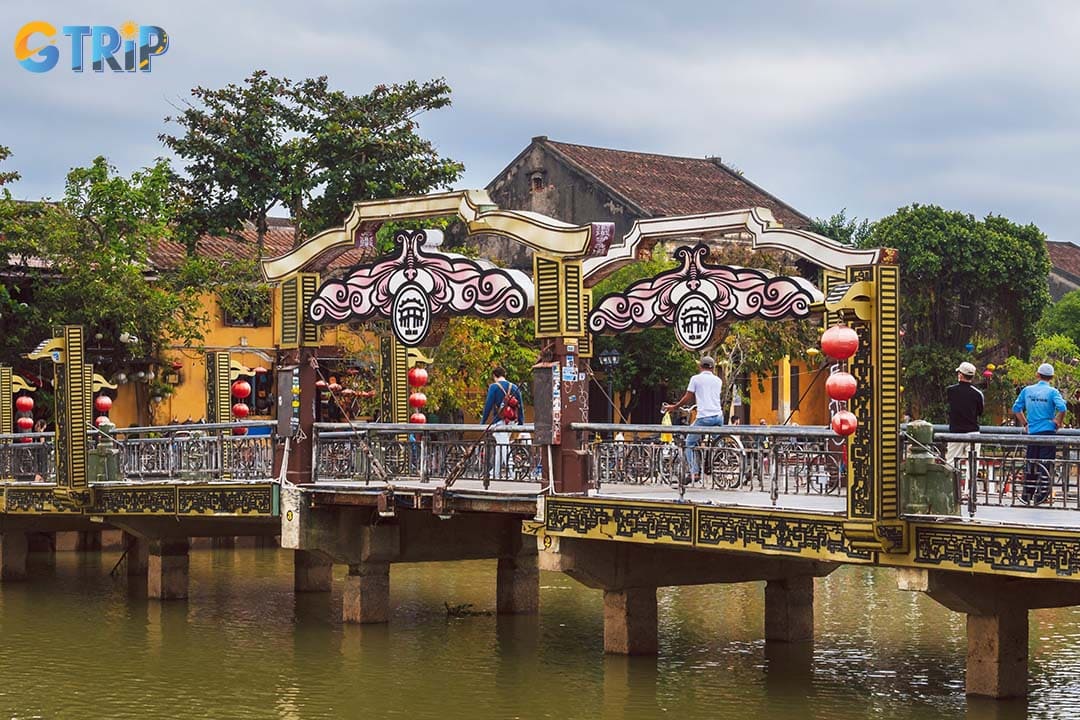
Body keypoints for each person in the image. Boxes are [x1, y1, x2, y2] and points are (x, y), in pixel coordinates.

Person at [662, 356, 723, 483]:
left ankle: (694, 472)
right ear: (712, 367)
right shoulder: (718, 380)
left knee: (689, 442)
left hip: (704, 417)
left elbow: (688, 397)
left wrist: (675, 406)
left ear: (700, 366)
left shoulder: (695, 379)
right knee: (717, 441)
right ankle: (720, 456)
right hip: (718, 417)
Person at [1012, 362, 1066, 505]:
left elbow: (1016, 409)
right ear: (1052, 377)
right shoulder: (1053, 392)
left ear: (1037, 375)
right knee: (1045, 464)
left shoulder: (1027, 390)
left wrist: (1025, 424)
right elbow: (1062, 407)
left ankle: (1026, 494)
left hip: (1032, 432)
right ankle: (1041, 496)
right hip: (1048, 432)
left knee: (1031, 462)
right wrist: (1057, 421)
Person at [945, 361, 984, 491]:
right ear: (972, 377)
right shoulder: (978, 394)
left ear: (960, 375)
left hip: (955, 432)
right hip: (973, 432)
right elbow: (980, 412)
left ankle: (951, 489)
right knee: (972, 464)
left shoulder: (951, 391)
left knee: (951, 461)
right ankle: (969, 491)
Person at [481, 367, 524, 480]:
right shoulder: (514, 387)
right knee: (500, 447)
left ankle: (512, 472)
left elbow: (488, 405)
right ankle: (494, 473)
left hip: (499, 421)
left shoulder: (494, 387)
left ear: (495, 375)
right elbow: (520, 406)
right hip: (512, 422)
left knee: (504, 447)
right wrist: (521, 422)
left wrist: (483, 421)